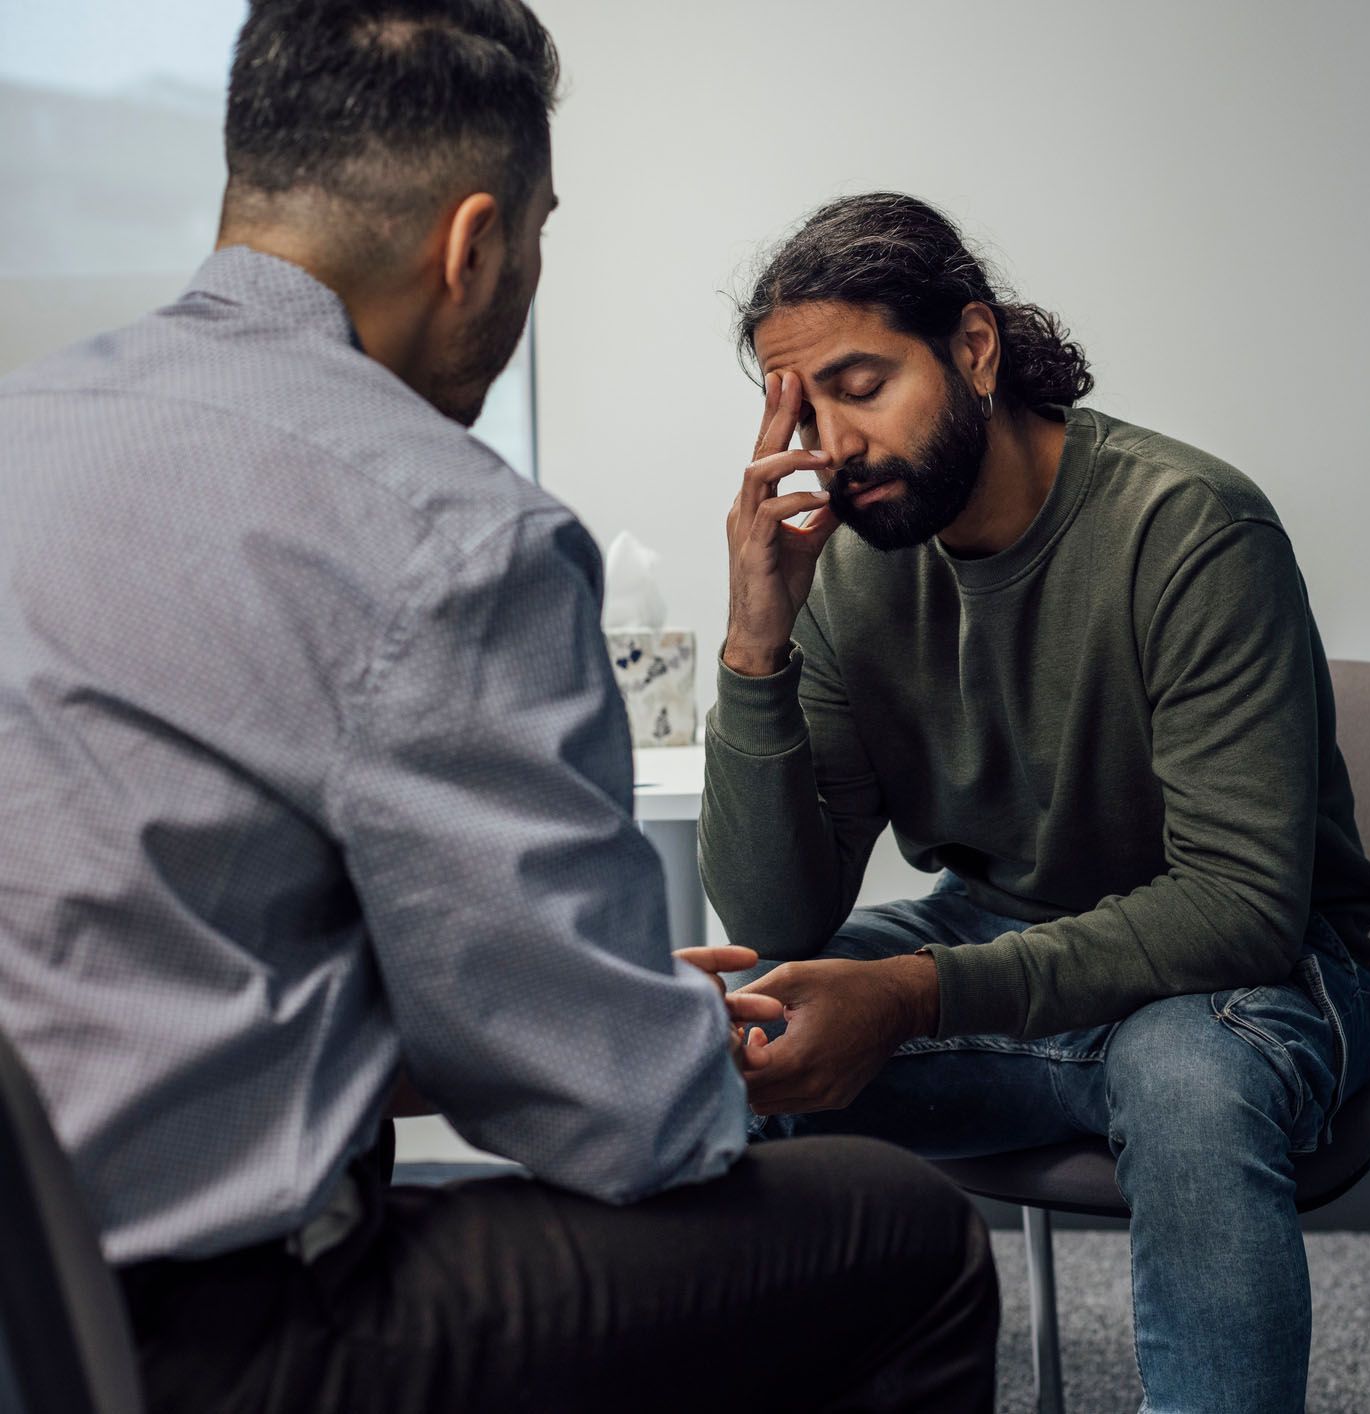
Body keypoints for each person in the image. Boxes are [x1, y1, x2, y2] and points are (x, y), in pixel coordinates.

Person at [0, 9, 999, 1410]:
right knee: (904, 1234)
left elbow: (136, 974)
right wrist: (647, 1028)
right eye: (538, 235)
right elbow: (625, 1120)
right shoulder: (452, 530)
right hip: (212, 1342)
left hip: (31, 1298)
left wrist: (589, 1012)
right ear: (475, 246)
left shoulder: (25, 427)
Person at [701, 190, 1370, 1413]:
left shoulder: (1188, 528)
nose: (833, 444)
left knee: (1184, 1076)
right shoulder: (849, 572)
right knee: (730, 1037)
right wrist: (756, 642)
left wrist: (914, 992)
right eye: (802, 409)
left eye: (861, 386)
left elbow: (1236, 907)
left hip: (1257, 975)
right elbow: (777, 915)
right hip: (1001, 939)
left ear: (973, 347)